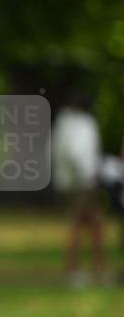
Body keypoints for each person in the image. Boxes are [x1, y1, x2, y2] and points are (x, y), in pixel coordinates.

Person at [51, 92, 104, 286]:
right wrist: (86, 174)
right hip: (82, 183)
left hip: (71, 182)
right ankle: (78, 270)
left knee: (89, 223)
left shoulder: (63, 123)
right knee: (83, 225)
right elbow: (76, 153)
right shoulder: (80, 123)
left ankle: (93, 268)